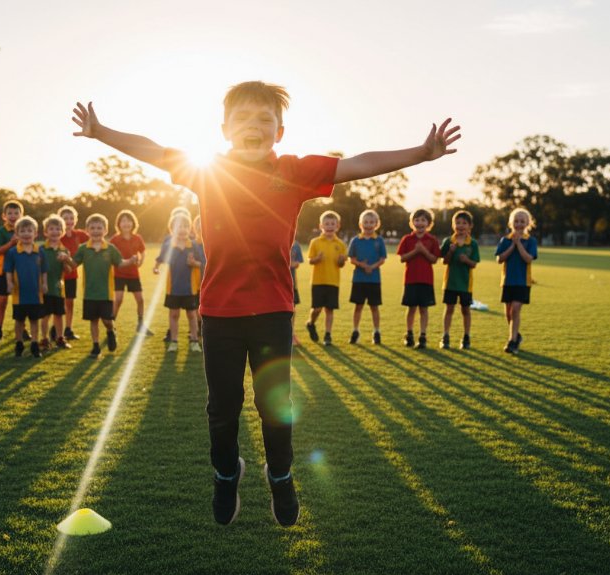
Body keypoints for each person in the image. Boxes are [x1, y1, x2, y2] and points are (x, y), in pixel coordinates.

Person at [71, 80, 460, 526]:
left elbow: (360, 163)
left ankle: (280, 476)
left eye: (264, 119)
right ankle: (225, 473)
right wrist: (101, 132)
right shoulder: (207, 171)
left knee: (275, 406)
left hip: (273, 312)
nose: (252, 126)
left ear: (279, 131)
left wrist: (419, 152)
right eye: (242, 118)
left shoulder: (295, 171)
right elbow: (154, 150)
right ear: (224, 129)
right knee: (222, 410)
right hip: (219, 313)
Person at [69, 214, 140, 359]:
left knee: (107, 320)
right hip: (89, 293)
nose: (96, 231)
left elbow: (120, 263)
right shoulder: (83, 249)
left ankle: (110, 331)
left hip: (106, 293)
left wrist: (131, 260)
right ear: (87, 230)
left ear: (105, 230)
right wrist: (66, 259)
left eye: (99, 228)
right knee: (93, 320)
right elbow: (74, 265)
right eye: (92, 228)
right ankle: (95, 347)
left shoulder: (110, 249)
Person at [155, 214, 205, 352]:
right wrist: (156, 267)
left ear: (190, 229)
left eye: (185, 226)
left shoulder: (193, 245)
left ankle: (194, 340)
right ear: (172, 229)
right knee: (174, 314)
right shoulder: (169, 245)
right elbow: (160, 258)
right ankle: (174, 341)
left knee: (192, 314)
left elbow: (202, 263)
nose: (182, 229)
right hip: (173, 288)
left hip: (190, 288)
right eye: (179, 226)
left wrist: (194, 263)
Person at [496, 207, 538, 355]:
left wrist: (519, 244)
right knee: (508, 313)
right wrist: (512, 245)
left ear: (528, 223)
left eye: (522, 221)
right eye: (516, 221)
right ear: (511, 223)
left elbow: (528, 259)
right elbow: (499, 259)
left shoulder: (531, 241)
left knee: (515, 309)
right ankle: (517, 335)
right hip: (507, 281)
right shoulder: (505, 240)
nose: (519, 224)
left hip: (522, 282)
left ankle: (512, 341)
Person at [4, 216, 47, 358]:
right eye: (22, 231)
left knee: (34, 320)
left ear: (35, 234)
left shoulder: (40, 251)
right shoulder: (12, 252)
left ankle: (35, 344)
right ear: (16, 234)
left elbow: (44, 271)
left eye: (30, 231)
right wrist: (9, 283)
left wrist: (44, 284)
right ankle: (19, 343)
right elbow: (8, 270)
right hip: (19, 294)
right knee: (19, 321)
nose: (26, 234)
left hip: (35, 293)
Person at [397, 209, 441, 349]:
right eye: (417, 220)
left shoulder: (432, 240)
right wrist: (415, 251)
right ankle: (409, 334)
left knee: (424, 309)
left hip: (426, 280)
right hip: (410, 279)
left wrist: (423, 251)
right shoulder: (407, 239)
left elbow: (434, 259)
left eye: (423, 220)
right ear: (412, 223)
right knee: (411, 308)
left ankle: (422, 336)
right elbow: (402, 258)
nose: (420, 223)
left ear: (429, 223)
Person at [438, 210, 480, 350]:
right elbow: (444, 261)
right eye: (458, 222)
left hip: (465, 285)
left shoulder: (472, 244)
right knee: (449, 309)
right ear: (453, 225)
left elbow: (474, 264)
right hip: (450, 283)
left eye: (464, 223)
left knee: (465, 310)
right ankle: (445, 336)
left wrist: (466, 260)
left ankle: (466, 337)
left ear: (470, 226)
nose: (460, 226)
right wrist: (450, 251)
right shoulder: (448, 241)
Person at [306, 211, 347, 346]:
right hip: (318, 281)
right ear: (321, 225)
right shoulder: (315, 242)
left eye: (332, 224)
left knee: (329, 309)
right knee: (317, 309)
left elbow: (341, 265)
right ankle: (311, 323)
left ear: (337, 226)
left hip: (333, 281)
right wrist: (317, 259)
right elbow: (310, 261)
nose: (329, 226)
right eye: (327, 224)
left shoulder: (340, 244)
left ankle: (327, 335)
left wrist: (341, 261)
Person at [347, 209, 387, 344]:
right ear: (360, 224)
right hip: (359, 279)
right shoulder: (356, 240)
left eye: (371, 222)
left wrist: (372, 267)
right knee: (358, 306)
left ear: (376, 224)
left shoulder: (379, 240)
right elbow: (351, 258)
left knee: (374, 307)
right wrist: (362, 265)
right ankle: (355, 331)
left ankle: (376, 332)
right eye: (365, 222)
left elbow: (382, 259)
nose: (368, 225)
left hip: (374, 279)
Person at [110, 209, 151, 336]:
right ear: (119, 224)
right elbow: (111, 256)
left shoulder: (137, 238)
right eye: (123, 221)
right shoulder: (115, 239)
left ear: (133, 223)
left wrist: (141, 262)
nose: (126, 224)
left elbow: (143, 251)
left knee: (140, 300)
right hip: (119, 274)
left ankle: (140, 324)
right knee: (118, 300)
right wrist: (127, 261)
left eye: (129, 221)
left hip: (133, 274)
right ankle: (111, 325)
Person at [0, 200, 24, 344]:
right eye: (9, 213)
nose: (13, 216)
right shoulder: (1, 231)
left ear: (21, 215)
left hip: (21, 270)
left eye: (16, 213)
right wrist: (11, 243)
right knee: (2, 301)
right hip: (3, 271)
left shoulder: (25, 230)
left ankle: (23, 329)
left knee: (21, 302)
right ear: (4, 216)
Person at [57, 206, 90, 341]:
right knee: (58, 303)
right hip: (59, 276)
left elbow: (92, 241)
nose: (69, 221)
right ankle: (56, 329)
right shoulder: (58, 235)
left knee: (70, 302)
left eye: (71, 218)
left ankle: (68, 329)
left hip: (73, 275)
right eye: (65, 218)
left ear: (75, 220)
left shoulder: (80, 235)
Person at [39, 215, 72, 350]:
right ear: (46, 232)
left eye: (58, 229)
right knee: (45, 315)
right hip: (45, 288)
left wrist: (65, 262)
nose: (55, 231)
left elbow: (69, 270)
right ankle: (45, 339)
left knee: (59, 314)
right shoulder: (41, 249)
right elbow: (37, 268)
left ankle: (60, 338)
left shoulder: (64, 251)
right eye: (51, 229)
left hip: (58, 287)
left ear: (62, 231)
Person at [289, 239, 303, 347]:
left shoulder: (296, 245)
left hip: (291, 283)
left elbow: (297, 263)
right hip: (273, 284)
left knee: (292, 309)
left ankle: (291, 333)